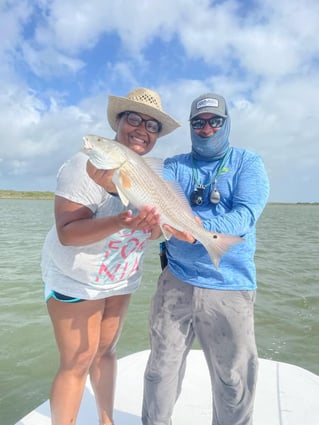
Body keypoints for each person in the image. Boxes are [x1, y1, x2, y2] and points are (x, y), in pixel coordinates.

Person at [41, 87, 180, 425]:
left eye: (152, 125)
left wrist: (153, 230)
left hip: (120, 277)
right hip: (78, 277)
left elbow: (158, 231)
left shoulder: (150, 173)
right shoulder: (85, 165)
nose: (142, 129)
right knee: (77, 360)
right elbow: (68, 232)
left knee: (104, 352)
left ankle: (107, 421)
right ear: (117, 123)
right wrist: (118, 219)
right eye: (133, 119)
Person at [142, 93, 270, 425]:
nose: (207, 128)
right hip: (177, 280)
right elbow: (152, 209)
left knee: (233, 380)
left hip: (230, 285)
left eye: (215, 121)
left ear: (227, 123)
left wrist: (201, 229)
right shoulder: (173, 166)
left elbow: (246, 214)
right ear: (190, 127)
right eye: (198, 122)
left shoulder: (248, 162)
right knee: (159, 373)